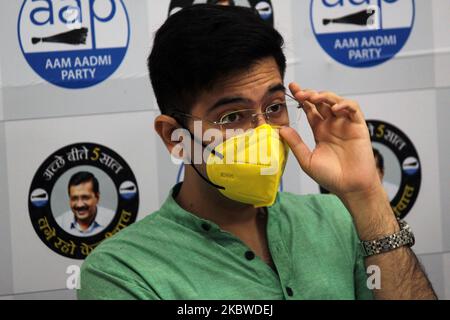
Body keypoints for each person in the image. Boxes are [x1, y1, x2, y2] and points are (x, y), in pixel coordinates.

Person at [78, 5, 436, 299]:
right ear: (175, 136)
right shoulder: (122, 271)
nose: (263, 132)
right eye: (232, 116)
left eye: (275, 106)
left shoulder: (339, 219)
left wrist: (367, 196)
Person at [57, 171, 114, 237]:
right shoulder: (59, 224)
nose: (79, 205)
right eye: (74, 198)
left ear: (97, 198)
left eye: (85, 197)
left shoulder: (112, 221)